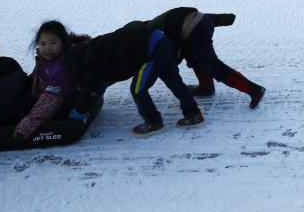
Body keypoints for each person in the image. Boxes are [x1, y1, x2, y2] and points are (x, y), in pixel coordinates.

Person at [63, 20, 204, 137]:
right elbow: (100, 81)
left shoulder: (85, 59)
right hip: (162, 41)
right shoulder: (95, 48)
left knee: (138, 89)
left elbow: (90, 86)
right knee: (174, 82)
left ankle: (153, 122)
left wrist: (78, 113)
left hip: (151, 49)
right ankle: (194, 114)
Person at [163, 8, 266, 108]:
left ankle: (254, 90)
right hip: (200, 22)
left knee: (212, 66)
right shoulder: (155, 27)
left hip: (194, 31)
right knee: (193, 56)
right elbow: (197, 18)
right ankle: (206, 87)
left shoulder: (152, 34)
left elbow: (167, 57)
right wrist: (224, 19)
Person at [12, 21, 88, 139]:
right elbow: (39, 75)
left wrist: (26, 125)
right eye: (43, 44)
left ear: (63, 43)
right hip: (49, 94)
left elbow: (50, 101)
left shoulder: (63, 67)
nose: (47, 48)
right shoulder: (47, 60)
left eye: (53, 43)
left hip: (65, 102)